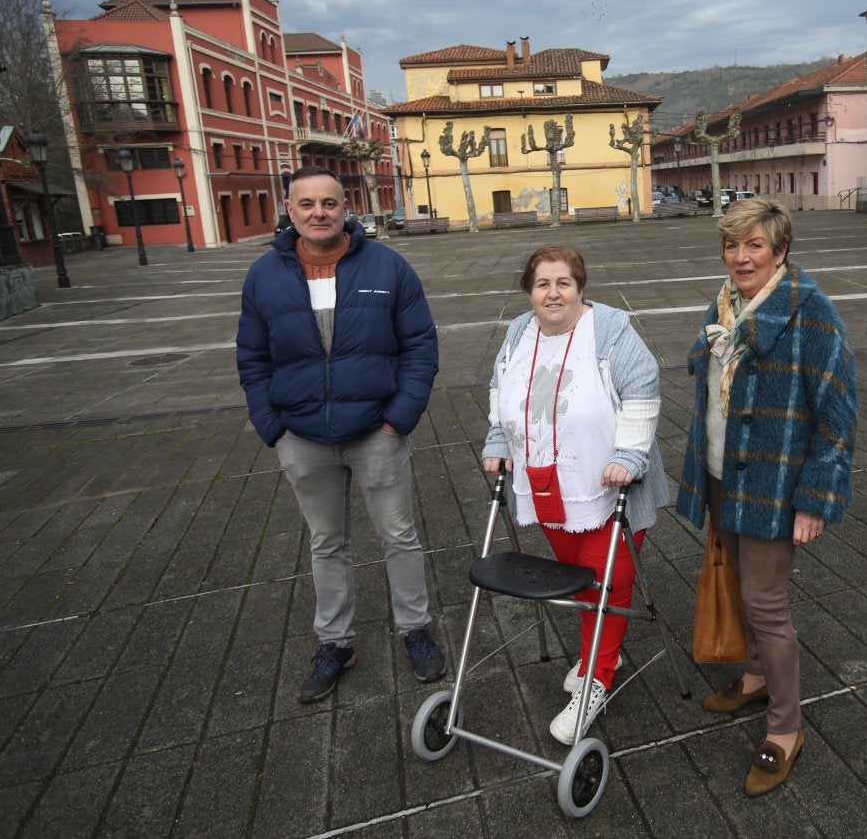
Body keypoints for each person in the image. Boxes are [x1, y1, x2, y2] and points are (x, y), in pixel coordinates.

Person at [236, 166, 445, 703]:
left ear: (345, 206)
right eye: (306, 204)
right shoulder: (264, 276)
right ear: (290, 211)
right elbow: (252, 357)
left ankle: (415, 629)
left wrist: (399, 417)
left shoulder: (388, 266)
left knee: (398, 536)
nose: (318, 213)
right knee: (326, 542)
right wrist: (272, 426)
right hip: (301, 437)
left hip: (377, 432)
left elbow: (420, 346)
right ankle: (335, 642)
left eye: (328, 202)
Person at [676, 199, 858, 798]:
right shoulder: (725, 304)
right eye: (732, 245)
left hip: (776, 485)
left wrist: (814, 499)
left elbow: (837, 416)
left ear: (781, 250)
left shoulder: (812, 314)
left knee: (766, 602)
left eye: (754, 246)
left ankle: (786, 727)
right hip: (723, 472)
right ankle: (754, 677)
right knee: (739, 589)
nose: (741, 256)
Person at [481, 245, 671, 745]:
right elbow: (502, 391)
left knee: (605, 586)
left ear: (580, 287)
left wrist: (629, 457)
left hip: (610, 488)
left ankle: (596, 678)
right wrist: (498, 440)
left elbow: (643, 388)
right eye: (542, 284)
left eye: (563, 282)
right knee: (579, 580)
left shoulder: (608, 329)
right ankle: (597, 656)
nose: (553, 293)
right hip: (548, 487)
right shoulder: (520, 333)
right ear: (529, 291)